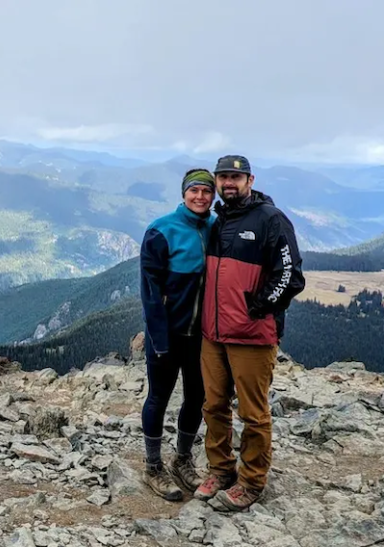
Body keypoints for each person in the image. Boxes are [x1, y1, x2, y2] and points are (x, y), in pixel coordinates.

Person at [193, 154, 304, 511]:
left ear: (250, 181)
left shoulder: (271, 220)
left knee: (253, 414)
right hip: (213, 334)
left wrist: (256, 308)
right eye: (223, 177)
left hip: (252, 336)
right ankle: (221, 470)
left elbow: (290, 277)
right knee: (213, 405)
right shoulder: (216, 221)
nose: (229, 183)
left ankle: (252, 481)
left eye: (235, 178)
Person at [138, 168, 216, 500]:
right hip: (168, 334)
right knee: (159, 396)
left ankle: (183, 460)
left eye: (206, 192)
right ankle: (153, 466)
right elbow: (150, 292)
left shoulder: (217, 228)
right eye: (194, 191)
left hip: (203, 336)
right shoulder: (161, 231)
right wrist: (158, 338)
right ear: (184, 193)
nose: (200, 197)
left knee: (197, 398)